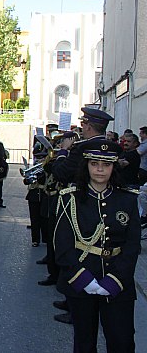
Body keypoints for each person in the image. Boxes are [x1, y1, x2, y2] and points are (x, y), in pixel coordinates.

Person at [54, 140, 140, 352]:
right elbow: (63, 245)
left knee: (122, 341)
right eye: (94, 164)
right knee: (84, 343)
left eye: (106, 164)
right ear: (86, 166)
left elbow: (132, 245)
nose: (100, 169)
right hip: (82, 279)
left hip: (119, 282)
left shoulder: (127, 199)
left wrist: (116, 279)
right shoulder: (70, 198)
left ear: (114, 167)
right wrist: (84, 279)